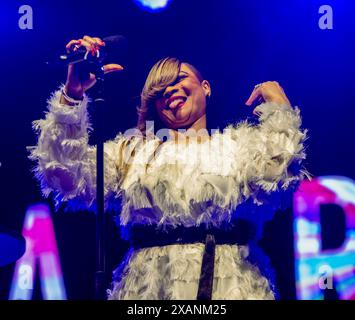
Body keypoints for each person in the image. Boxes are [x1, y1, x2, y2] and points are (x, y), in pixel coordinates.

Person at [29, 35, 309, 300]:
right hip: (148, 290)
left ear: (206, 87)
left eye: (180, 79)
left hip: (230, 285)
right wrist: (73, 95)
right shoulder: (133, 153)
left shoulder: (237, 147)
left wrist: (279, 107)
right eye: (160, 89)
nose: (170, 89)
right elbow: (64, 175)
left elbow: (279, 175)